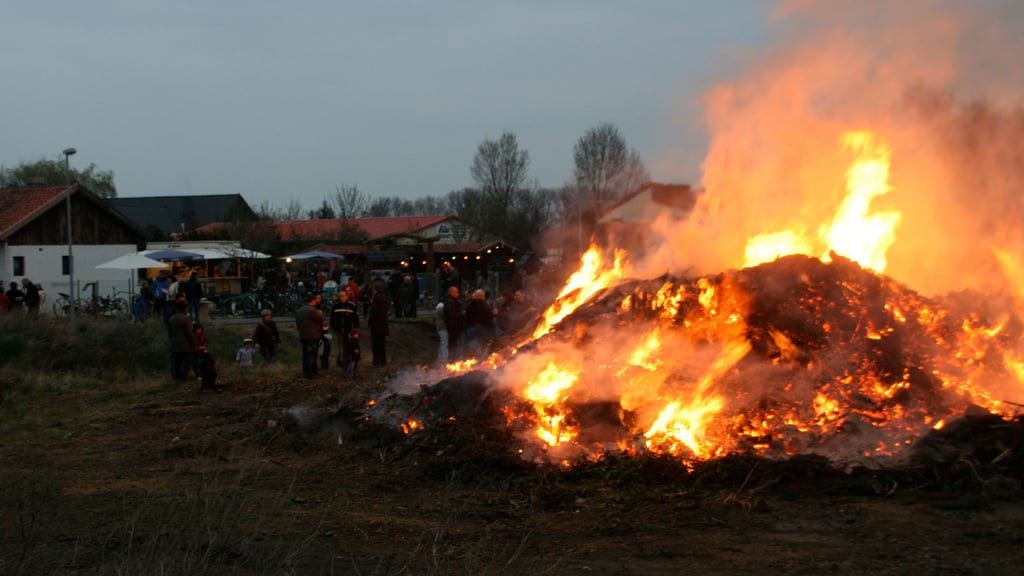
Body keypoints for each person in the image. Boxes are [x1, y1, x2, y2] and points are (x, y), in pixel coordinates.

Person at [295, 292, 324, 378]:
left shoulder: (300, 310)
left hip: (303, 335)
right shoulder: (312, 310)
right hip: (312, 335)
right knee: (311, 355)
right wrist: (320, 313)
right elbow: (321, 319)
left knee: (306, 355)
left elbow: (298, 323)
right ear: (313, 300)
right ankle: (310, 373)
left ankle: (307, 371)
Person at [167, 299, 196, 383]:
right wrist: (194, 343)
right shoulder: (185, 319)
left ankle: (175, 377)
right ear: (185, 309)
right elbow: (190, 333)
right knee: (187, 360)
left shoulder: (172, 318)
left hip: (174, 344)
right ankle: (182, 377)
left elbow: (170, 333)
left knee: (176, 361)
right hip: (185, 345)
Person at [330, 289, 359, 368]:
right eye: (340, 296)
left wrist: (355, 329)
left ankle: (349, 360)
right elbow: (332, 318)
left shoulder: (351, 306)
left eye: (343, 296)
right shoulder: (335, 306)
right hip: (339, 330)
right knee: (341, 346)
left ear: (346, 296)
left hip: (349, 329)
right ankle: (342, 361)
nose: (342, 298)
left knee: (349, 345)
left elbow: (355, 318)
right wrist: (334, 327)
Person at [463, 289, 495, 358]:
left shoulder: (470, 306)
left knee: (471, 347)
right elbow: (490, 321)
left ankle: (471, 362)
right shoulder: (486, 307)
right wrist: (491, 332)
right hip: (483, 332)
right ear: (482, 297)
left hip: (471, 331)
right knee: (481, 349)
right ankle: (479, 364)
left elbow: (466, 318)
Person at [368, 280, 389, 366]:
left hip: (377, 325)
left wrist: (370, 322)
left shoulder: (376, 298)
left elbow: (373, 312)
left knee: (376, 344)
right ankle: (383, 361)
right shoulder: (384, 297)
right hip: (383, 324)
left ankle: (377, 361)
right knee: (382, 344)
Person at [443, 285, 464, 361]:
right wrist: (461, 314)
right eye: (456, 292)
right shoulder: (450, 301)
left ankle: (453, 357)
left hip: (454, 324)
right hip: (453, 325)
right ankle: (452, 358)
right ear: (452, 292)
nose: (458, 293)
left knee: (454, 342)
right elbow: (451, 313)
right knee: (453, 342)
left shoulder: (453, 301)